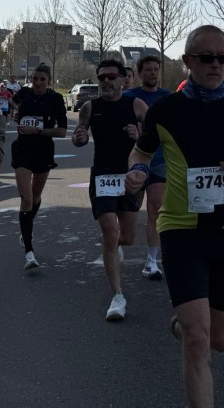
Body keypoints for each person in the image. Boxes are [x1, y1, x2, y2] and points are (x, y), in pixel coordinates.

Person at [125, 25, 224, 408]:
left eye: (223, 58)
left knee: (220, 340)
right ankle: (191, 328)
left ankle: (184, 325)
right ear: (188, 61)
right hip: (180, 232)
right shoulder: (166, 110)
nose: (216, 65)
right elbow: (141, 152)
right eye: (207, 57)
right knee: (198, 342)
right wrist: (138, 171)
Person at [72, 59, 142, 320]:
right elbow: (79, 134)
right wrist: (78, 138)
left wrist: (139, 134)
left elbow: (156, 136)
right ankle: (118, 296)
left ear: (123, 79)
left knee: (127, 238)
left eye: (112, 77)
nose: (106, 82)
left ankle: (111, 244)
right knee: (111, 232)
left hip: (129, 176)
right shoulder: (90, 107)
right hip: (102, 176)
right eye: (102, 78)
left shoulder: (135, 105)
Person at [10, 63, 68, 270]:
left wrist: (37, 131)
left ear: (49, 81)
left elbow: (62, 131)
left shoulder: (55, 99)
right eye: (35, 79)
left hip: (43, 151)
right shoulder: (25, 93)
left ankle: (26, 227)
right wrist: (15, 113)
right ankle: (29, 251)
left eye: (42, 80)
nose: (38, 83)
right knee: (26, 198)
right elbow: (12, 102)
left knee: (35, 198)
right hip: (22, 151)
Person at [123, 54, 172, 280]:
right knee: (129, 212)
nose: (153, 73)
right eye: (148, 69)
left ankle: (152, 261)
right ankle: (117, 242)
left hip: (160, 161)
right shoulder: (129, 97)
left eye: (155, 69)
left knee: (155, 209)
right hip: (136, 160)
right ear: (140, 73)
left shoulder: (167, 97)